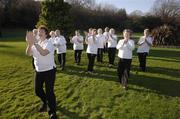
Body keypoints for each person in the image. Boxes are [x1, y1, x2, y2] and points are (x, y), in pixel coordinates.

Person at [25, 25, 57, 119]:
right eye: (38, 31)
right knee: (37, 90)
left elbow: (43, 53)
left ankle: (52, 112)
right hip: (39, 71)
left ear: (46, 34)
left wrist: (34, 43)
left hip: (49, 71)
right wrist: (30, 44)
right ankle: (46, 102)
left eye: (41, 31)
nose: (39, 32)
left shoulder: (49, 43)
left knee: (49, 91)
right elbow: (28, 53)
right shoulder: (36, 43)